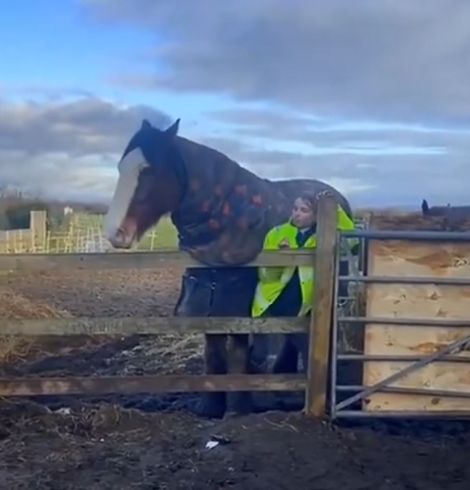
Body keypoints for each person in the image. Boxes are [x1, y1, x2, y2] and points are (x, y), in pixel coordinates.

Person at [249, 190, 357, 374]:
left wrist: (334, 210)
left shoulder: (325, 235)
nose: (297, 213)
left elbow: (353, 241)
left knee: (298, 343)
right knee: (307, 347)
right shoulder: (277, 233)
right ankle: (314, 391)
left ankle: (287, 384)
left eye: (304, 210)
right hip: (278, 300)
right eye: (295, 208)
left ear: (316, 215)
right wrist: (280, 258)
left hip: (308, 302)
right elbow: (266, 275)